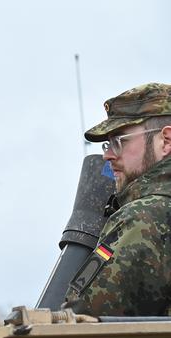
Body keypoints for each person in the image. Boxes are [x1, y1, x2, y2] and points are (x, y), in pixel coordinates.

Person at [63, 83, 171, 316]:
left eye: (120, 141)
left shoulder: (143, 218)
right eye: (107, 143)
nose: (107, 155)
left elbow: (82, 319)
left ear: (166, 140)